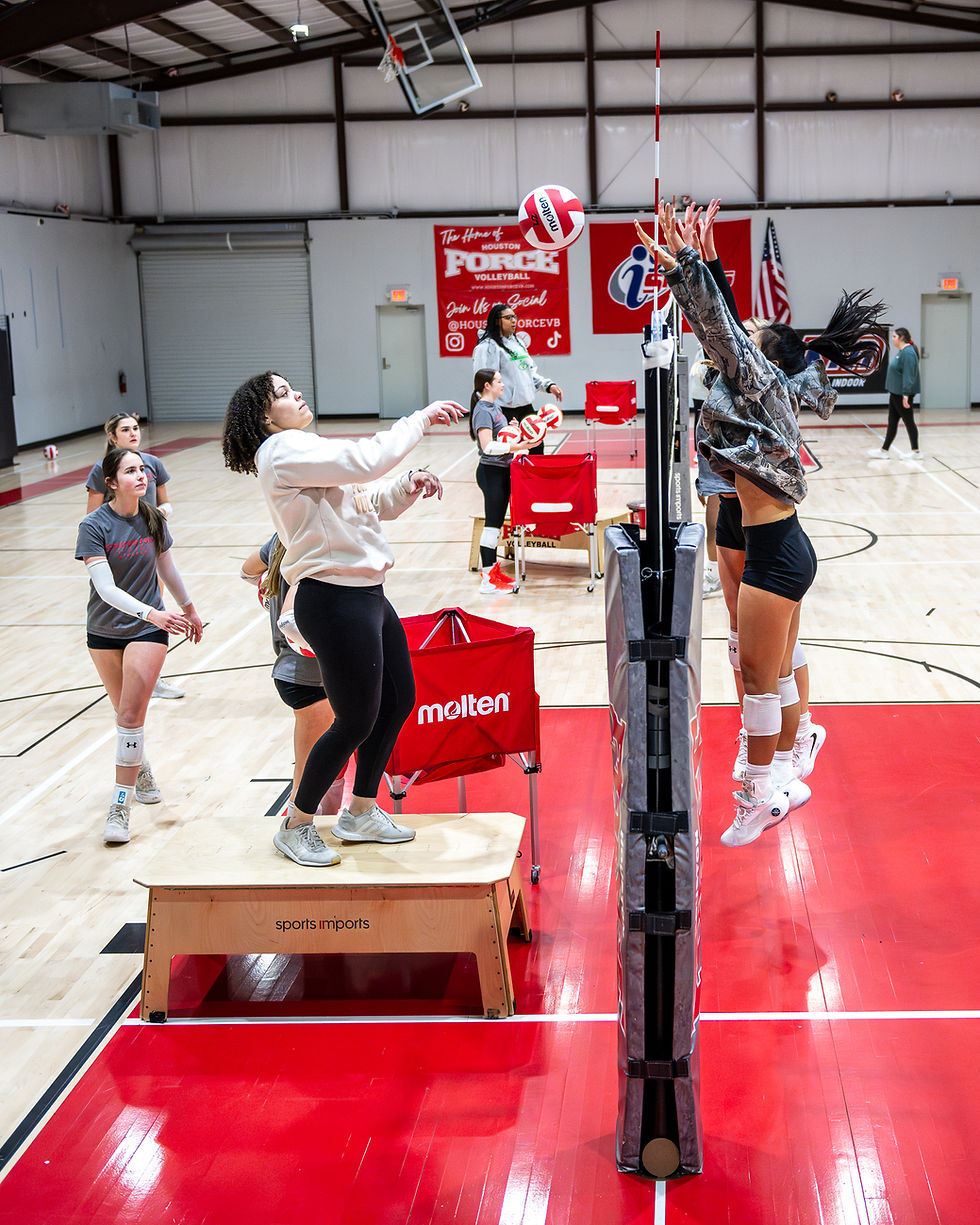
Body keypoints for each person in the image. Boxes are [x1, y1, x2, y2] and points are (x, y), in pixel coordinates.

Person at [635, 202, 884, 848]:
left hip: (777, 550)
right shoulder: (765, 384)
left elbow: (722, 328)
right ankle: (782, 767)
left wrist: (685, 264)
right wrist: (700, 259)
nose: (745, 330)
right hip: (778, 543)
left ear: (757, 357)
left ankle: (763, 790)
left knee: (755, 676)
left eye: (754, 331)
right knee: (764, 671)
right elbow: (725, 327)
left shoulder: (761, 384)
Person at [221, 372, 464, 868]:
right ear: (266, 417)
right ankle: (296, 822)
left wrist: (407, 485)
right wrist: (420, 418)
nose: (298, 395)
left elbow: (364, 502)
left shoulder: (302, 451)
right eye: (284, 394)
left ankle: (360, 812)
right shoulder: (283, 451)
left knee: (398, 700)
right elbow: (365, 458)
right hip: (333, 598)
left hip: (366, 592)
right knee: (354, 719)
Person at [75, 446, 203, 845]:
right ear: (112, 482)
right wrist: (152, 612)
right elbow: (106, 588)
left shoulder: (153, 519)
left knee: (130, 717)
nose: (142, 475)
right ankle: (141, 767)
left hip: (149, 631)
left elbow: (167, 567)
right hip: (105, 630)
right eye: (131, 471)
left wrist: (189, 609)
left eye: (143, 469)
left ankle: (120, 806)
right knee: (123, 714)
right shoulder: (93, 526)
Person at [241, 535, 345, 816]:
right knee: (306, 777)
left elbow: (247, 571)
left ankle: (321, 826)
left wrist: (265, 586)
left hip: (302, 674)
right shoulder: (319, 546)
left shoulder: (280, 539)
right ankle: (296, 830)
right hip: (310, 676)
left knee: (329, 770)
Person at [85, 413, 184, 700]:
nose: (133, 433)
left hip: (149, 545)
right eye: (125, 429)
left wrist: (158, 515)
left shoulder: (153, 464)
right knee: (124, 606)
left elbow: (165, 502)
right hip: (119, 552)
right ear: (113, 437)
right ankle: (128, 674)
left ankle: (152, 676)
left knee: (154, 610)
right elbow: (91, 513)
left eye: (136, 428)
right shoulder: (102, 470)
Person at [472, 304, 563, 456]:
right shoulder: (487, 347)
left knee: (537, 448)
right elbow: (484, 380)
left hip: (526, 408)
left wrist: (548, 385)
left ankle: (535, 480)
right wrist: (488, 409)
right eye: (508, 318)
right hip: (503, 410)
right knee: (506, 454)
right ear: (496, 321)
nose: (514, 321)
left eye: (515, 317)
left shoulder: (517, 343)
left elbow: (529, 371)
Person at [470, 367, 527, 595]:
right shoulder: (483, 410)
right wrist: (517, 446)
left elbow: (499, 436)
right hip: (490, 472)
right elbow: (488, 446)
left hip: (502, 471)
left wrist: (511, 430)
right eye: (499, 381)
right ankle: (487, 580)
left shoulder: (495, 407)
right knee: (492, 526)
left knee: (497, 526)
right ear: (487, 385)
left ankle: (493, 572)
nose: (503, 385)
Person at [870, 327, 921, 458]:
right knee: (892, 422)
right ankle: (884, 451)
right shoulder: (902, 351)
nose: (892, 339)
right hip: (895, 393)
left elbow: (909, 375)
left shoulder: (908, 353)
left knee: (909, 421)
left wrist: (906, 395)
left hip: (902, 394)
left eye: (894, 336)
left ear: (902, 338)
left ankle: (916, 451)